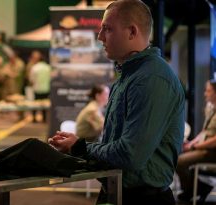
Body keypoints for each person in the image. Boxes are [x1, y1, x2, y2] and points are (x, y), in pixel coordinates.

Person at [48, 1, 185, 205]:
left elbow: (131, 155)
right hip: (118, 191)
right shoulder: (129, 76)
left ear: (131, 32)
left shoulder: (150, 79)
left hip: (143, 198)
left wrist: (78, 146)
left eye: (107, 29)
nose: (100, 37)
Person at [176, 80, 216, 203]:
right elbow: (204, 132)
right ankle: (196, 188)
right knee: (177, 155)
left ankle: (193, 189)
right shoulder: (212, 109)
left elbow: (214, 141)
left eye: (208, 90)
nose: (205, 94)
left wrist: (195, 147)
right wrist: (191, 143)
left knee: (179, 161)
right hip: (204, 148)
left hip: (212, 152)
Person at [28, 51, 51, 123]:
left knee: (35, 104)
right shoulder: (48, 67)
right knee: (45, 104)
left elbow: (31, 80)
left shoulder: (34, 68)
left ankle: (34, 118)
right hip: (46, 89)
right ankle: (44, 118)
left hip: (37, 89)